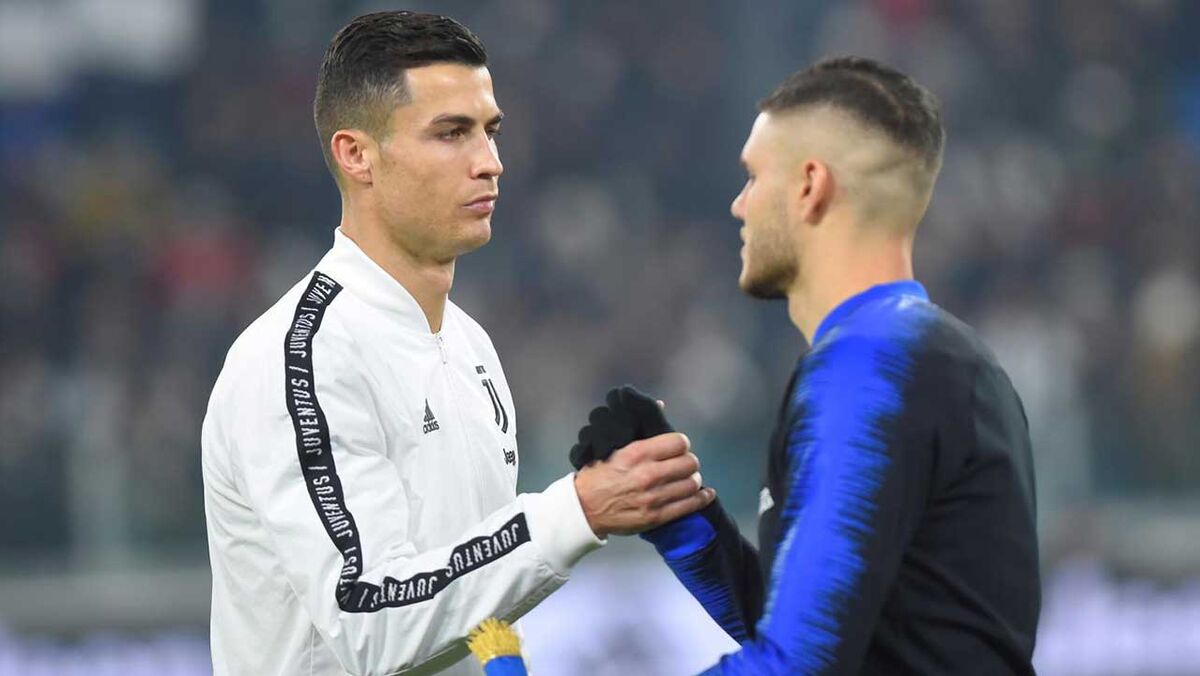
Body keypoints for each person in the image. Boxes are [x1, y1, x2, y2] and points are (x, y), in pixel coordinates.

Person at [200, 12, 712, 676]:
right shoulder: (302, 359)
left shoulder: (470, 346)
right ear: (357, 155)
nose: (490, 163)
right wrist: (577, 509)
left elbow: (475, 609)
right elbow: (372, 622)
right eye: (451, 134)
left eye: (490, 131)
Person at [575, 57, 1040, 674]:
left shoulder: (869, 365)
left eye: (752, 177)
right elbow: (824, 634)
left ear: (810, 186)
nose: (738, 205)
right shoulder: (938, 359)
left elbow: (800, 664)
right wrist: (679, 515)